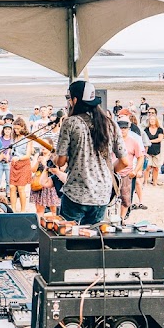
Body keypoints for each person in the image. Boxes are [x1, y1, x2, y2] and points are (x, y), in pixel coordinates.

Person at [54, 80, 128, 225]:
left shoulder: (71, 123)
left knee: (67, 238)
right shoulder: (110, 124)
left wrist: (55, 157)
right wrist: (108, 172)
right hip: (102, 194)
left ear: (75, 100)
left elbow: (61, 161)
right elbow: (125, 162)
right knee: (92, 239)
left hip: (76, 193)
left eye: (69, 98)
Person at [143, 114, 164, 186]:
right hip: (148, 151)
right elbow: (144, 139)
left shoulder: (159, 129)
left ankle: (155, 182)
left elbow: (160, 139)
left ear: (156, 121)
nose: (152, 121)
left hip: (157, 151)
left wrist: (150, 141)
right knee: (148, 167)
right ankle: (145, 181)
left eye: (153, 120)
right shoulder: (146, 130)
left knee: (156, 168)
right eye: (151, 120)